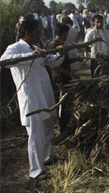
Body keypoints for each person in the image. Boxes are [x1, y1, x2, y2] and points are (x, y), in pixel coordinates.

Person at [0, 20, 65, 179]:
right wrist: (30, 55)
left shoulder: (36, 48)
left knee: (48, 126)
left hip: (44, 94)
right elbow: (4, 61)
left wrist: (60, 53)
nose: (39, 35)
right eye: (36, 32)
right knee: (35, 134)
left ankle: (47, 158)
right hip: (31, 97)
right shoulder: (15, 48)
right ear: (27, 33)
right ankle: (36, 171)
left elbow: (51, 61)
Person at [46, 23, 78, 133]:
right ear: (64, 33)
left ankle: (65, 126)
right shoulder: (53, 45)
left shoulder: (60, 44)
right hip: (60, 79)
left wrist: (76, 59)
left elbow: (64, 61)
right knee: (62, 104)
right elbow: (54, 66)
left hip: (65, 77)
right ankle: (62, 128)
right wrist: (69, 73)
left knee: (67, 103)